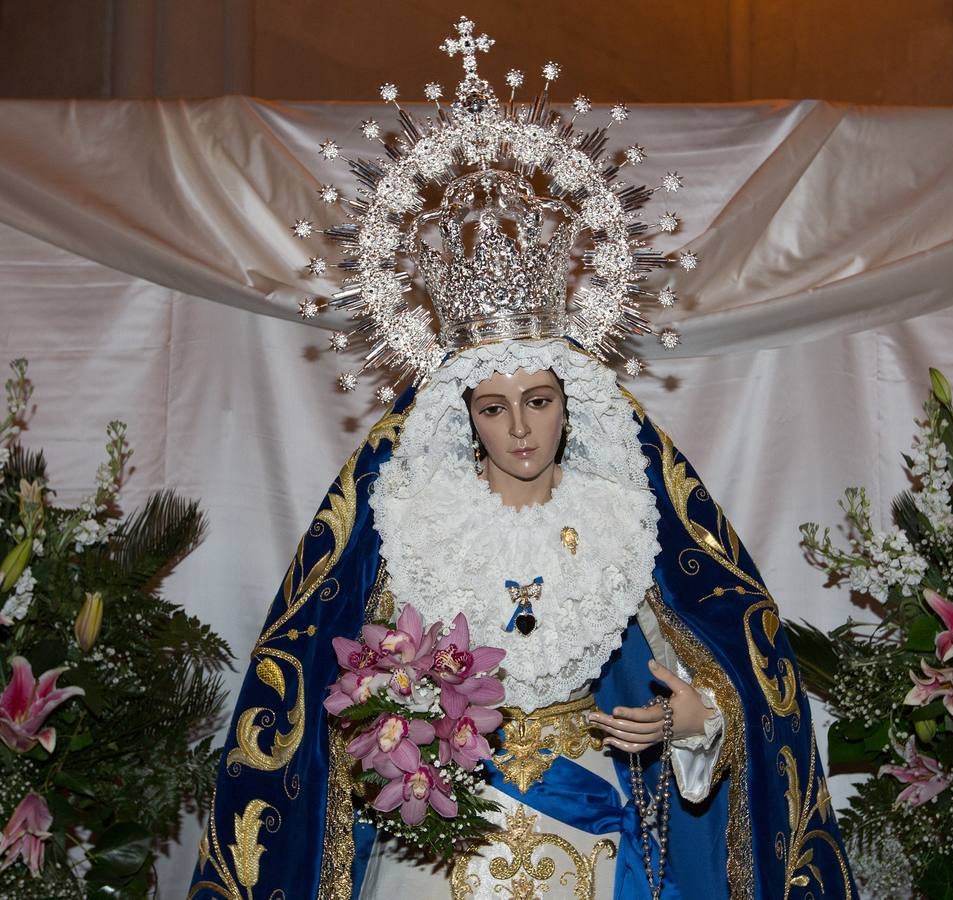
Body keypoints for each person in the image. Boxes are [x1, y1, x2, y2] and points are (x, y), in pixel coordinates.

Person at [188, 16, 854, 900]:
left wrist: (697, 722)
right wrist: (398, 725)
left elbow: (717, 658)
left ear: (568, 403)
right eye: (494, 409)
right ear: (463, 415)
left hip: (588, 820)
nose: (521, 430)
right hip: (443, 830)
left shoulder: (619, 517)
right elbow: (328, 687)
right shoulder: (415, 523)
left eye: (539, 402)